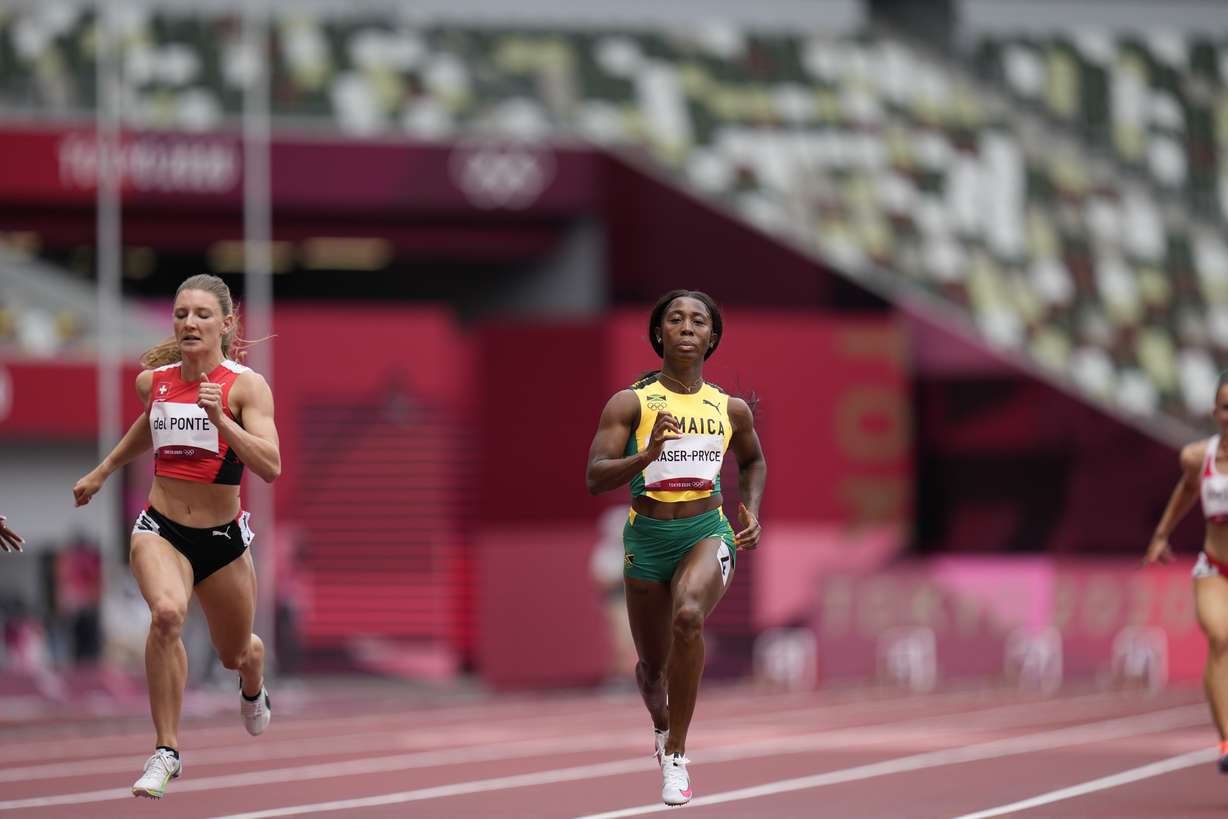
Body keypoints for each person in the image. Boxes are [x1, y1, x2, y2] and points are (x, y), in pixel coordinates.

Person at [72, 274, 280, 799]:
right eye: (182, 313)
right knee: (166, 614)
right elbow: (149, 423)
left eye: (202, 315)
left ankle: (252, 675)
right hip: (161, 528)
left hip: (222, 541)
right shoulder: (154, 382)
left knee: (234, 652)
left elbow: (271, 465)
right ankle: (166, 750)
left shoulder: (246, 386)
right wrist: (104, 470)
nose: (189, 322)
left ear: (226, 325)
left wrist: (221, 420)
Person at [585, 289, 766, 806]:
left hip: (705, 531)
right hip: (647, 538)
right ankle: (663, 728)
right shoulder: (630, 403)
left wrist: (749, 509)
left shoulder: (728, 409)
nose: (687, 327)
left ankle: (679, 756)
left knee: (689, 616)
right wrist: (647, 454)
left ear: (712, 338)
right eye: (676, 319)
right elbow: (596, 478)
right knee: (651, 671)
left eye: (699, 321)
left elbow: (753, 462)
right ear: (659, 333)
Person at [1145, 370, 1228, 773]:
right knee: (1219, 639)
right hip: (1215, 567)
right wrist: (1161, 535)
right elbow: (1186, 492)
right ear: (1216, 412)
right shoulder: (1198, 457)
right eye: (1227, 406)